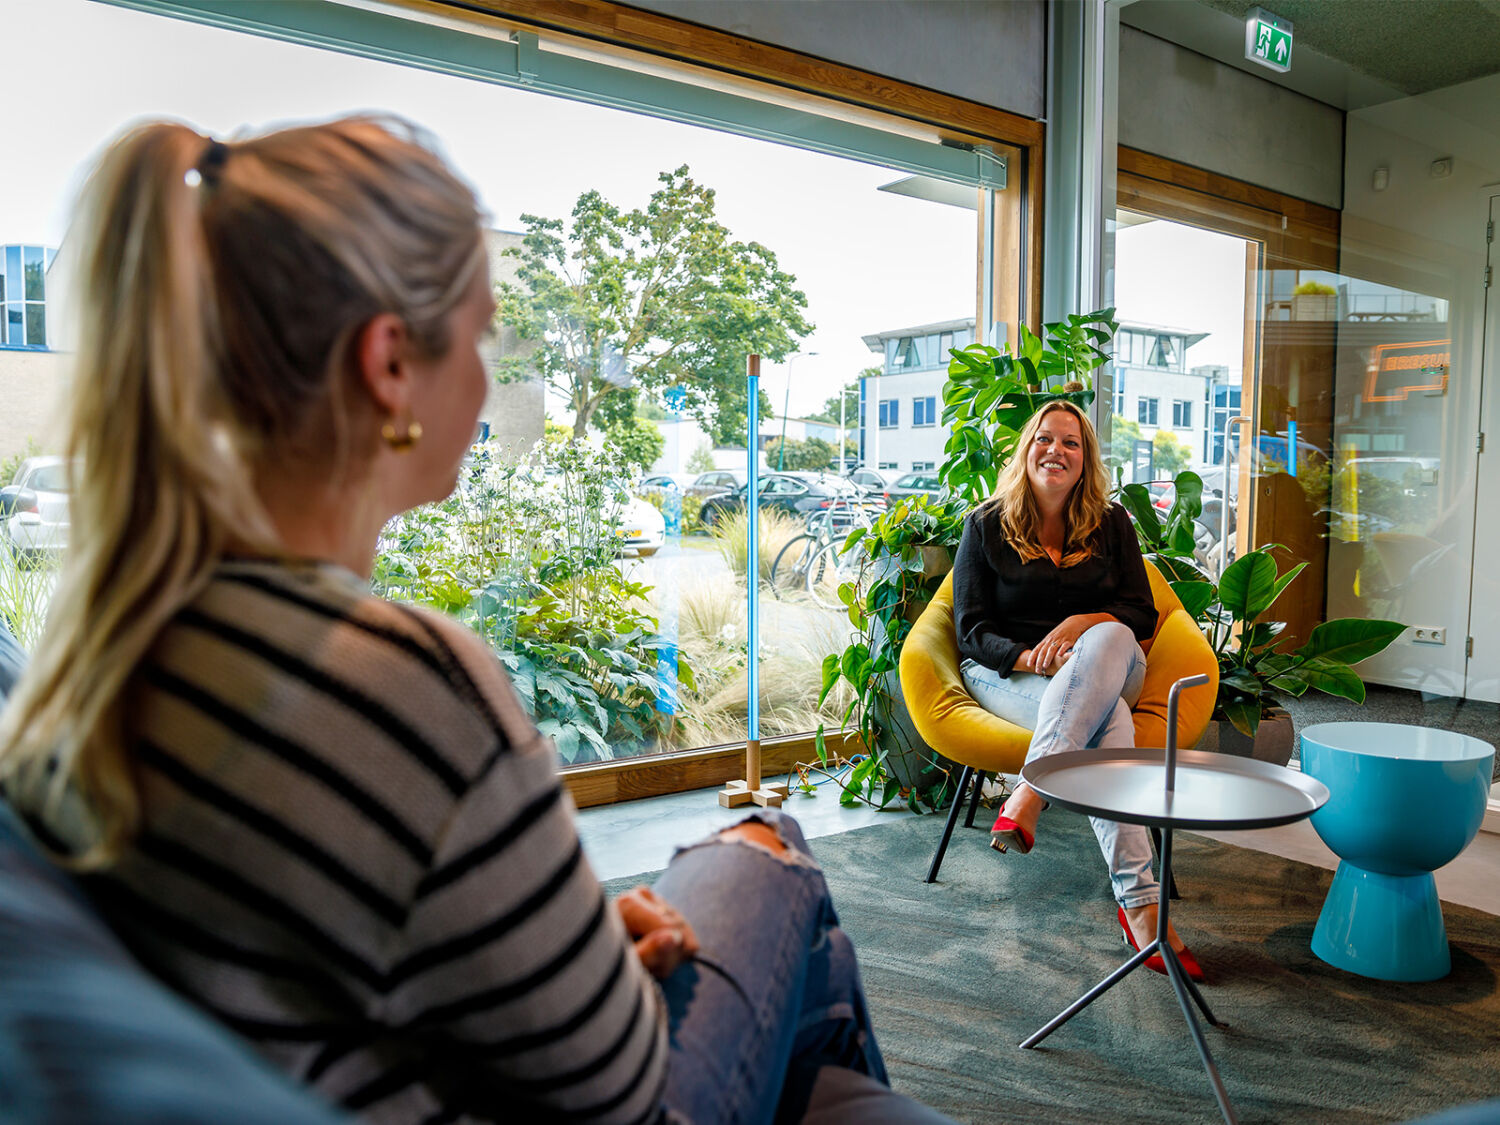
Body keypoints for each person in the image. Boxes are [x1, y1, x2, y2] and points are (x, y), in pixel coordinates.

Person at [0, 117, 950, 1125]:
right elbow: (621, 1090)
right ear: (389, 366)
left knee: (810, 979)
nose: (490, 375)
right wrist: (607, 951)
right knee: (766, 848)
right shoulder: (393, 679)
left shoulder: (109, 640)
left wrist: (563, 942)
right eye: (482, 333)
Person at [950, 400, 1204, 980]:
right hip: (1009, 674)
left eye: (1071, 442)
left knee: (1112, 633)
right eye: (1045, 438)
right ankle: (1141, 909)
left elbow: (1141, 612)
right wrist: (1027, 657)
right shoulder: (985, 524)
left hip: (1110, 659)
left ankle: (1029, 793)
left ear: (1085, 458)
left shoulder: (1111, 522)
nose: (1056, 450)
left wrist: (1077, 626)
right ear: (1027, 449)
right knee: (1107, 722)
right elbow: (970, 630)